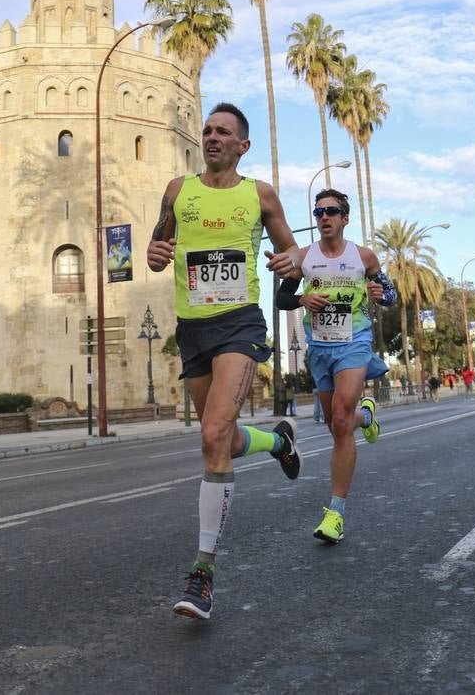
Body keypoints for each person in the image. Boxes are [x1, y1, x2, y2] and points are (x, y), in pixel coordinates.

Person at [146, 102, 302, 621]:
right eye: (208, 130)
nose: (212, 137)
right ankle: (278, 440)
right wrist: (155, 254)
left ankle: (203, 575)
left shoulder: (259, 194)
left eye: (223, 132)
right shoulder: (176, 190)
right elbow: (156, 242)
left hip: (239, 324)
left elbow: (293, 252)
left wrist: (289, 264)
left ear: (242, 145)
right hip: (192, 330)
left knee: (212, 435)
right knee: (226, 438)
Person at [276, 188, 397, 545]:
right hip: (320, 349)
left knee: (341, 418)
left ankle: (336, 513)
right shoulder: (304, 258)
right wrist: (301, 298)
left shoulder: (364, 257)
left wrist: (382, 295)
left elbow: (389, 293)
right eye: (318, 213)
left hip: (354, 344)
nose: (324, 217)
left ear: (345, 218)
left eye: (331, 212)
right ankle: (368, 417)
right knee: (336, 425)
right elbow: (283, 298)